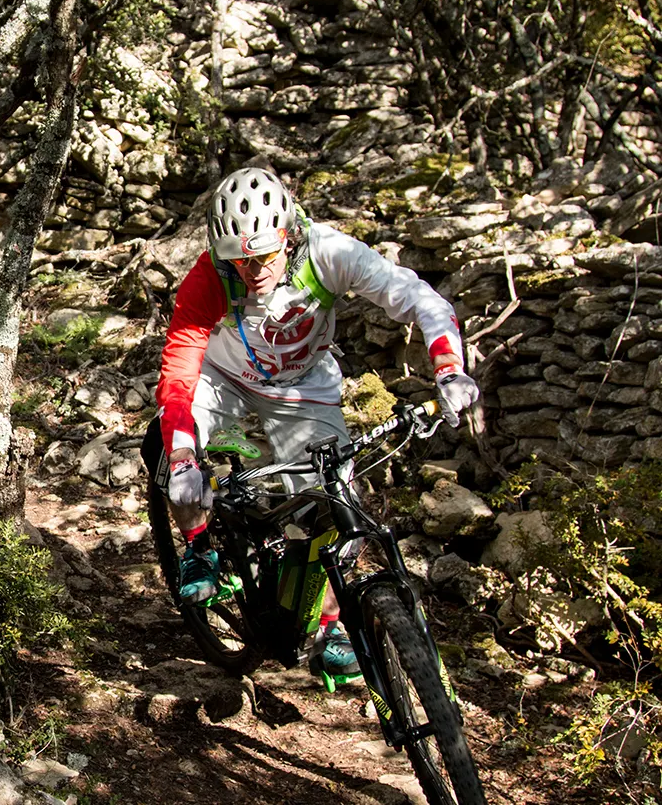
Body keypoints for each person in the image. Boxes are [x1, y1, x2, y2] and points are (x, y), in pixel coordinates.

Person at [142, 166, 480, 676]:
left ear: (289, 234)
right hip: (221, 377)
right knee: (168, 453)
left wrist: (449, 368)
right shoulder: (210, 274)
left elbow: (417, 298)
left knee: (338, 510)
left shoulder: (329, 253)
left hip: (302, 387)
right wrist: (185, 456)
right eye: (239, 259)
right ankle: (197, 548)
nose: (253, 271)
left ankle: (327, 626)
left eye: (264, 256)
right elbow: (180, 365)